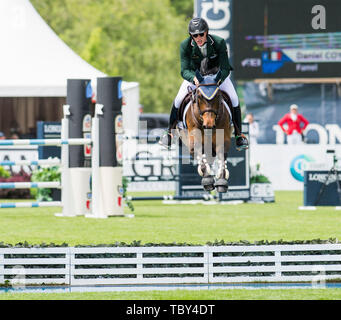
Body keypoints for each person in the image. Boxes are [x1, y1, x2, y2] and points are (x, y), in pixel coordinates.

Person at [159, 17, 248, 151]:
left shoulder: (219, 42)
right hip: (196, 78)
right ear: (191, 36)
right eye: (195, 35)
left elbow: (225, 68)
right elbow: (184, 70)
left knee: (234, 99)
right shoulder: (185, 46)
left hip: (217, 77)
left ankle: (239, 135)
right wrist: (193, 78)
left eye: (201, 34)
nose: (199, 37)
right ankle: (169, 133)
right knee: (178, 100)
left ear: (206, 32)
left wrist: (218, 79)